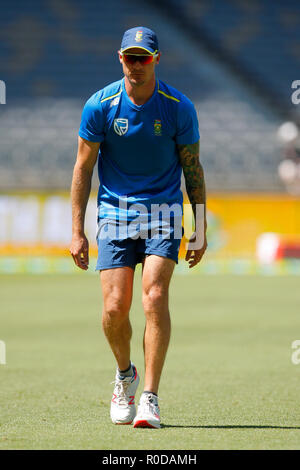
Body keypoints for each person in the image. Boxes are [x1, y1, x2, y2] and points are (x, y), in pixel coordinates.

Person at [70, 26, 207, 429]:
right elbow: (83, 167)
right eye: (129, 57)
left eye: (143, 57)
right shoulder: (99, 106)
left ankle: (149, 397)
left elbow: (192, 168)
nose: (136, 65)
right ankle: (124, 375)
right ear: (119, 58)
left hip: (164, 212)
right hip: (114, 214)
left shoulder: (179, 107)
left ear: (156, 60)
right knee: (114, 308)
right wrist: (77, 230)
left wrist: (198, 228)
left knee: (153, 298)